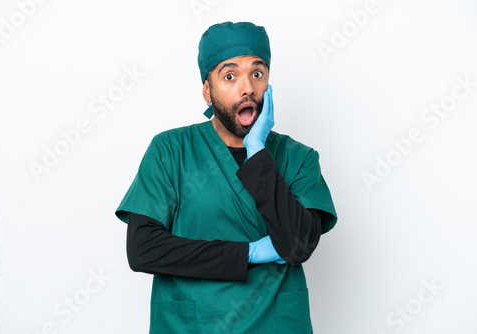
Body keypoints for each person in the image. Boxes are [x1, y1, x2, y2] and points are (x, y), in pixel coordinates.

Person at [115, 21, 337, 334]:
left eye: (257, 73)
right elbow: (143, 249)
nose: (247, 88)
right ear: (207, 89)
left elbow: (298, 246)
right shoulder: (170, 150)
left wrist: (257, 152)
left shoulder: (298, 158)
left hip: (274, 323)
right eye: (229, 76)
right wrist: (247, 254)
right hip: (192, 325)